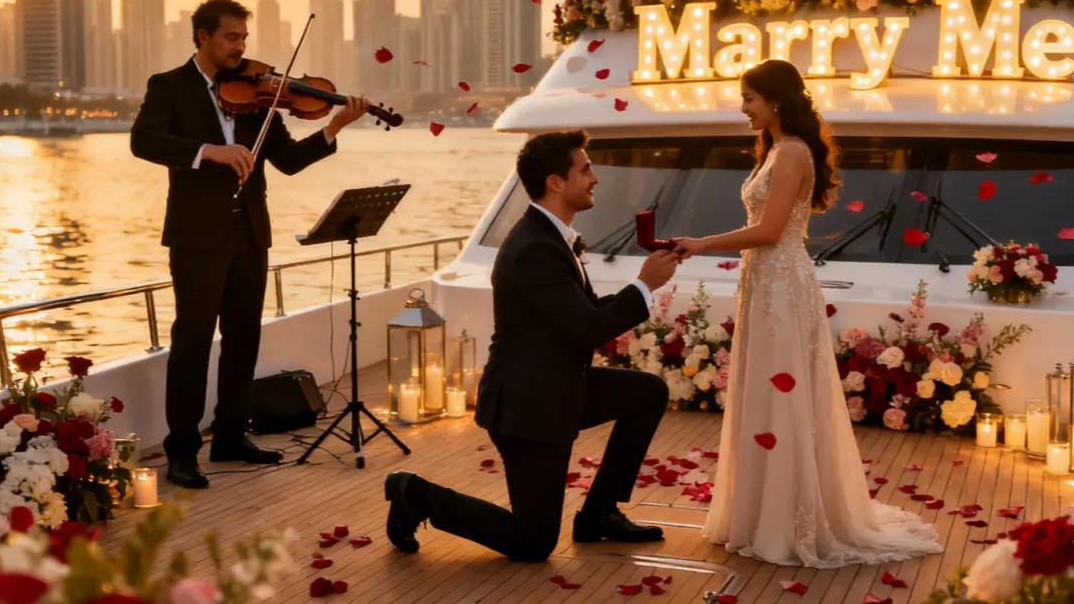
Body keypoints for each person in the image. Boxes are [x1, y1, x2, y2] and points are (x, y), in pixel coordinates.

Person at [671, 60, 943, 567]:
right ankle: (760, 512)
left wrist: (701, 243)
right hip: (765, 281)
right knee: (765, 393)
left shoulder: (792, 152)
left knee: (783, 394)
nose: (743, 107)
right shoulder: (776, 149)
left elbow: (772, 229)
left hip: (781, 284)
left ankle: (784, 518)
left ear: (774, 101)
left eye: (749, 98)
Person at [384, 130, 681, 561]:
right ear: (555, 182)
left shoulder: (553, 237)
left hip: (560, 386)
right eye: (585, 168)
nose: (595, 178)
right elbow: (588, 328)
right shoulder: (533, 248)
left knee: (647, 393)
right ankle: (413, 493)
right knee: (533, 543)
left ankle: (600, 513)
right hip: (528, 406)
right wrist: (643, 285)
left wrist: (640, 286)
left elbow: (586, 311)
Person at [130, 0, 370, 490]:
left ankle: (231, 436)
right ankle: (182, 451)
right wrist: (208, 152)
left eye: (243, 37)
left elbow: (288, 160)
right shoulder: (169, 86)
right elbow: (144, 141)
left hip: (250, 233)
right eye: (231, 37)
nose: (241, 46)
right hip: (197, 236)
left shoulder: (259, 96)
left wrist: (336, 125)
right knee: (193, 342)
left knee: (244, 338)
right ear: (202, 37)